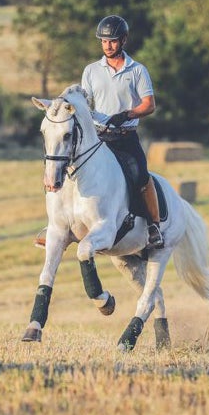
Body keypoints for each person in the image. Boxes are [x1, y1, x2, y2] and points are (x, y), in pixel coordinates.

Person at [35, 14, 163, 250]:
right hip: (98, 137)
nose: (107, 46)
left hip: (125, 137)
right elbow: (85, 103)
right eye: (104, 41)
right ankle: (54, 225)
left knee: (141, 176)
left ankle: (154, 226)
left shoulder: (137, 71)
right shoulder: (91, 71)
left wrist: (126, 115)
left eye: (112, 41)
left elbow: (149, 104)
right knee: (65, 166)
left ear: (123, 40)